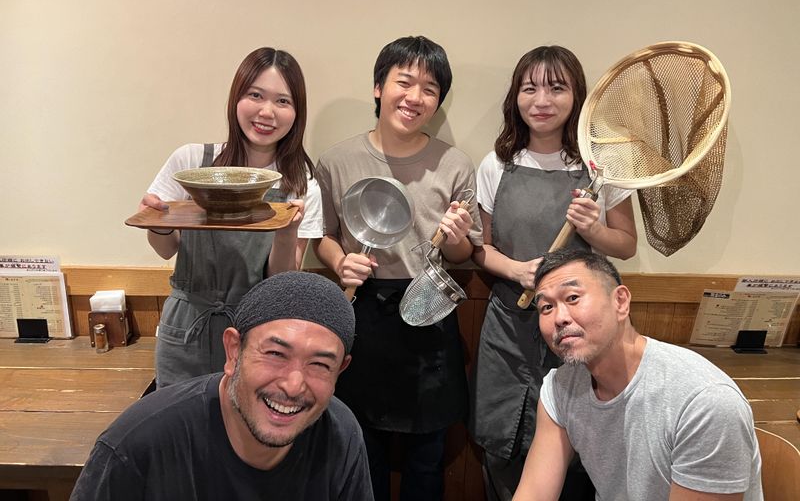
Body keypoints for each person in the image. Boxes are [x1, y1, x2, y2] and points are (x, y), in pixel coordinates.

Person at [313, 35, 482, 500]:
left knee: (427, 457)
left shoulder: (455, 165)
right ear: (378, 87)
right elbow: (322, 236)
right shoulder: (337, 161)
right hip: (362, 312)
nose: (414, 97)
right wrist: (340, 261)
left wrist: (457, 237)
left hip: (429, 310)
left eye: (429, 88)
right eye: (404, 82)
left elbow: (462, 256)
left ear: (438, 101)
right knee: (360, 447)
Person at [470, 46, 637, 500]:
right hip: (508, 324)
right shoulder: (496, 164)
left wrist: (593, 229)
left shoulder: (600, 166)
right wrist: (516, 270)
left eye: (556, 88)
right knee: (502, 442)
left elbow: (627, 245)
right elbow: (480, 249)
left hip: (577, 326)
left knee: (576, 443)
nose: (542, 100)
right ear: (516, 97)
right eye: (530, 89)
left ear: (576, 96)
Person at [70, 271, 374, 501]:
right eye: (275, 354)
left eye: (319, 364)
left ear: (340, 371)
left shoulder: (340, 434)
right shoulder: (139, 443)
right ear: (233, 351)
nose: (294, 386)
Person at [513, 249, 763, 501]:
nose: (560, 318)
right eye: (546, 307)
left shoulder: (704, 402)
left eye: (573, 297)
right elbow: (534, 493)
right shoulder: (560, 387)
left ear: (620, 302)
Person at [139, 47, 322, 387]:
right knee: (182, 415)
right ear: (236, 98)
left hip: (255, 329)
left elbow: (281, 278)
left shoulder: (301, 184)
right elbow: (166, 250)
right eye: (255, 95)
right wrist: (158, 220)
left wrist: (286, 231)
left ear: (297, 112)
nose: (266, 112)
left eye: (282, 101)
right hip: (187, 322)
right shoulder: (193, 161)